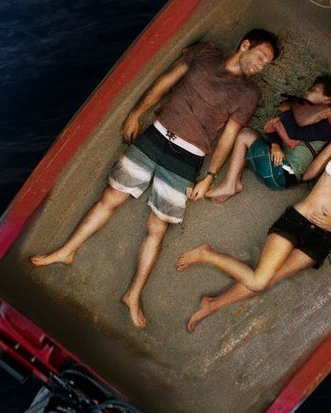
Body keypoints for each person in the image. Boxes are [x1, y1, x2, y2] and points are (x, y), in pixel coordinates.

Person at [31, 29, 280, 328]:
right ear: (245, 45)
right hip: (156, 135)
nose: (261, 65)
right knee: (110, 197)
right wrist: (137, 113)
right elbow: (165, 80)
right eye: (261, 57)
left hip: (188, 157)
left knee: (157, 227)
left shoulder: (248, 94)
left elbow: (229, 136)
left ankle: (133, 294)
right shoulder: (205, 53)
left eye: (266, 64)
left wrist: (210, 176)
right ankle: (67, 251)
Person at [177, 115, 331, 332]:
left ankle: (213, 304)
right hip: (298, 219)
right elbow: (309, 174)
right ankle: (206, 254)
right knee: (259, 281)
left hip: (322, 239)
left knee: (266, 281)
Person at [207, 75, 331, 201]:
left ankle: (230, 184)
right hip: (277, 166)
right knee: (249, 137)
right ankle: (235, 182)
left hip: (283, 174)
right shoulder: (302, 113)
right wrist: (275, 145)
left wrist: (287, 111)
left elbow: (294, 133)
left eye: (314, 90)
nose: (307, 91)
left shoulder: (324, 128)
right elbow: (275, 128)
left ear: (327, 100)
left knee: (245, 135)